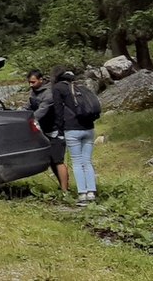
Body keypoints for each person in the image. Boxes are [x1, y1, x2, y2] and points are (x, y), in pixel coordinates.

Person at [50, 67, 98, 206]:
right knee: (87, 161)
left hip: (72, 129)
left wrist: (59, 130)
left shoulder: (58, 88)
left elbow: (58, 111)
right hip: (89, 128)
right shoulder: (79, 87)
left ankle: (82, 194)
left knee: (77, 162)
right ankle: (91, 192)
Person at [25, 70, 69, 194]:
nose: (31, 85)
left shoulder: (49, 94)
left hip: (55, 130)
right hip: (44, 131)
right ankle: (62, 187)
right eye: (29, 82)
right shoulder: (33, 92)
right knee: (51, 161)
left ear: (41, 80)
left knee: (58, 161)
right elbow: (27, 107)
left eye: (33, 82)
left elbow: (40, 112)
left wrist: (27, 121)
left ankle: (65, 191)